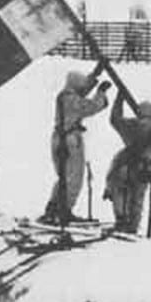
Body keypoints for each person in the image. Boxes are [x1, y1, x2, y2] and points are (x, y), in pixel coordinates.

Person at [38, 67, 110, 225]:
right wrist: (101, 93)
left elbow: (81, 92)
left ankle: (53, 208)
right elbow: (91, 106)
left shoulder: (63, 96)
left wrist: (94, 76)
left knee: (63, 177)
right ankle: (65, 210)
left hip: (58, 138)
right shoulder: (72, 99)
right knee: (74, 177)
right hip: (71, 140)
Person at [104, 92, 151, 234]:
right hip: (145, 170)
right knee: (138, 199)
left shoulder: (131, 125)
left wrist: (119, 101)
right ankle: (133, 227)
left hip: (127, 166)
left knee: (120, 191)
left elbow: (115, 120)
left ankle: (121, 220)